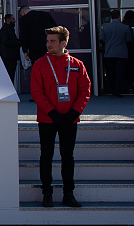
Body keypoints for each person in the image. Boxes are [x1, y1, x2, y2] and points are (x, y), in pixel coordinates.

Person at [31, 25, 91, 208]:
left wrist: (75, 112)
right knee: (46, 156)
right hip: (47, 119)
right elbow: (37, 92)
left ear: (63, 43)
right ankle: (47, 193)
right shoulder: (40, 64)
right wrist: (51, 112)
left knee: (67, 156)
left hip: (69, 119)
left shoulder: (77, 65)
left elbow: (85, 90)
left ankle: (68, 193)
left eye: (52, 41)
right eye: (47, 41)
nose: (48, 44)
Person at [99, 10, 132, 97]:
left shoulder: (105, 28)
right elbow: (129, 40)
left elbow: (101, 40)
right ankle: (118, 90)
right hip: (121, 53)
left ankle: (111, 89)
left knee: (110, 73)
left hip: (109, 53)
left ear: (111, 17)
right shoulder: (125, 27)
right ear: (119, 16)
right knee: (120, 73)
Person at [0, 14, 19, 82]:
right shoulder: (5, 30)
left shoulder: (8, 29)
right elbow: (5, 42)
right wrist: (17, 42)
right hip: (8, 56)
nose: (14, 21)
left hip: (10, 56)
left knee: (11, 74)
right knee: (10, 74)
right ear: (8, 20)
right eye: (13, 19)